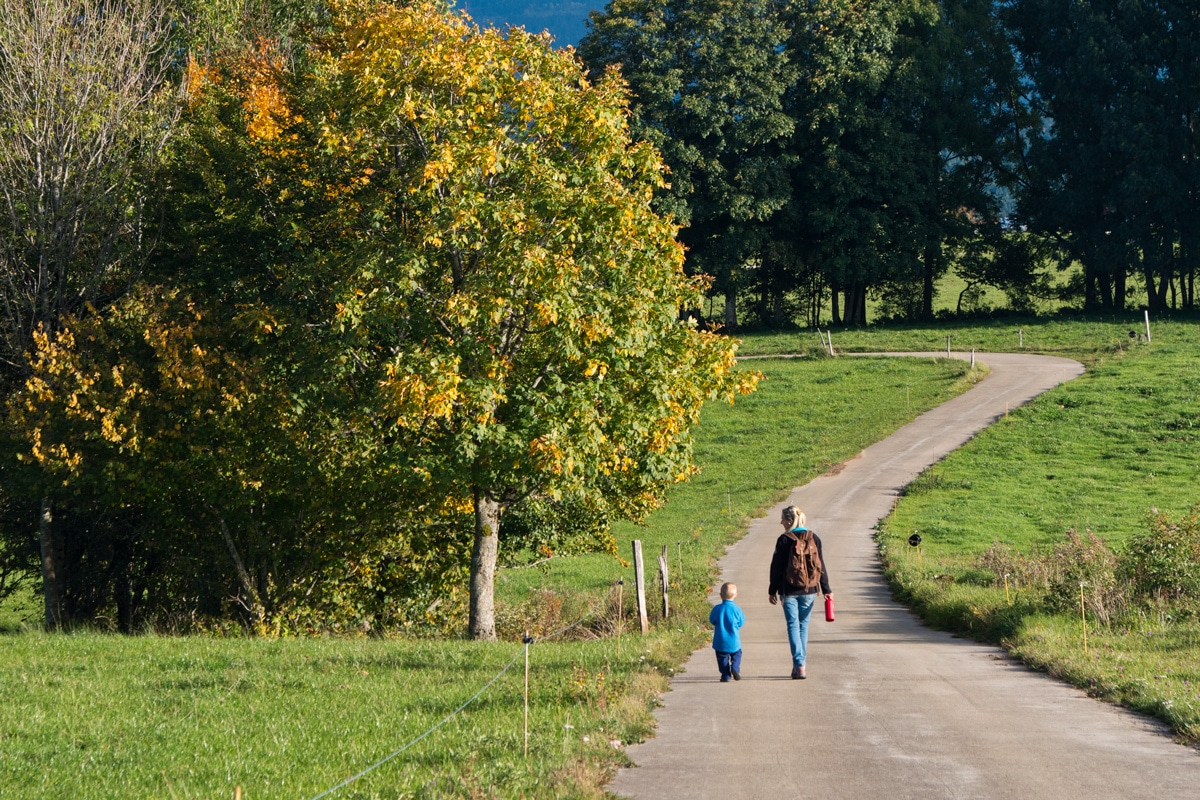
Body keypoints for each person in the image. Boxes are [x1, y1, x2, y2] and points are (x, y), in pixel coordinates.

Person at [768, 505, 832, 679]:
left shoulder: (784, 540)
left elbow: (776, 568)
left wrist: (772, 590)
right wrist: (826, 589)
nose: (781, 522)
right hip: (810, 590)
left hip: (788, 591)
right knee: (803, 626)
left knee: (793, 626)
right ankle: (801, 664)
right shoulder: (814, 538)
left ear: (790, 520)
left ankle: (799, 663)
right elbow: (821, 565)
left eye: (783, 519)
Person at [709, 582, 745, 682]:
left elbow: (712, 620)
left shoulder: (717, 609)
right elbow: (741, 622)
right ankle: (735, 668)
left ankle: (725, 675)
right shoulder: (737, 609)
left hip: (720, 640)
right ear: (735, 595)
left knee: (722, 659)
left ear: (721, 596)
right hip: (734, 640)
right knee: (737, 654)